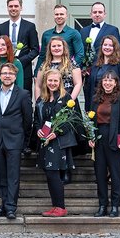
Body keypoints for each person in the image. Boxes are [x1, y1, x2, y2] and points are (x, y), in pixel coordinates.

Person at [33, 37, 84, 184]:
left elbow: (78, 83)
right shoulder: (45, 64)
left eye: (59, 46)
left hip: (66, 101)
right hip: (48, 101)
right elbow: (38, 85)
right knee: (49, 131)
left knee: (64, 133)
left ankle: (66, 169)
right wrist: (38, 102)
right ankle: (50, 166)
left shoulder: (71, 63)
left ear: (64, 48)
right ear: (49, 48)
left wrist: (70, 101)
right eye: (53, 46)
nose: (56, 48)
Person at [0, 62, 32, 219]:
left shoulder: (23, 94)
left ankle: (11, 207)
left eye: (10, 73)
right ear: (0, 75)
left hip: (14, 140)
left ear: (15, 76)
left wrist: (22, 138)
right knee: (1, 176)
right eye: (4, 73)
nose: (7, 76)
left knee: (13, 176)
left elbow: (28, 120)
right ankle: (4, 205)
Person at [34, 69, 76, 218]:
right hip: (45, 142)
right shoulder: (41, 99)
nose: (52, 83)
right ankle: (55, 205)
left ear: (60, 82)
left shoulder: (66, 98)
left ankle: (61, 207)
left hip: (59, 142)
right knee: (49, 174)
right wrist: (38, 130)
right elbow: (37, 120)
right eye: (50, 80)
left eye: (55, 81)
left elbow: (71, 121)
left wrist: (56, 132)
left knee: (54, 174)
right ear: (46, 82)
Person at [88, 70, 120, 217]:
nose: (108, 83)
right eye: (105, 80)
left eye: (111, 80)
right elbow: (90, 120)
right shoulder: (95, 99)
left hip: (114, 137)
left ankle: (115, 206)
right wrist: (90, 136)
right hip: (99, 137)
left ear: (116, 83)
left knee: (115, 174)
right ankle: (102, 205)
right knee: (100, 174)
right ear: (101, 82)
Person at [0, 0, 40, 97]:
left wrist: (20, 61)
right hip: (4, 70)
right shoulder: (1, 27)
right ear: (7, 8)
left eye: (16, 6)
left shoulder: (30, 27)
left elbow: (35, 49)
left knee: (24, 98)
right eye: (10, 6)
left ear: (21, 8)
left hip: (24, 69)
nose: (13, 9)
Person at [84, 35, 120, 110]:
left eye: (110, 45)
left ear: (115, 48)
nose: (107, 47)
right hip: (96, 103)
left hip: (113, 104)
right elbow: (90, 86)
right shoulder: (95, 64)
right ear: (101, 46)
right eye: (105, 45)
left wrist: (110, 99)